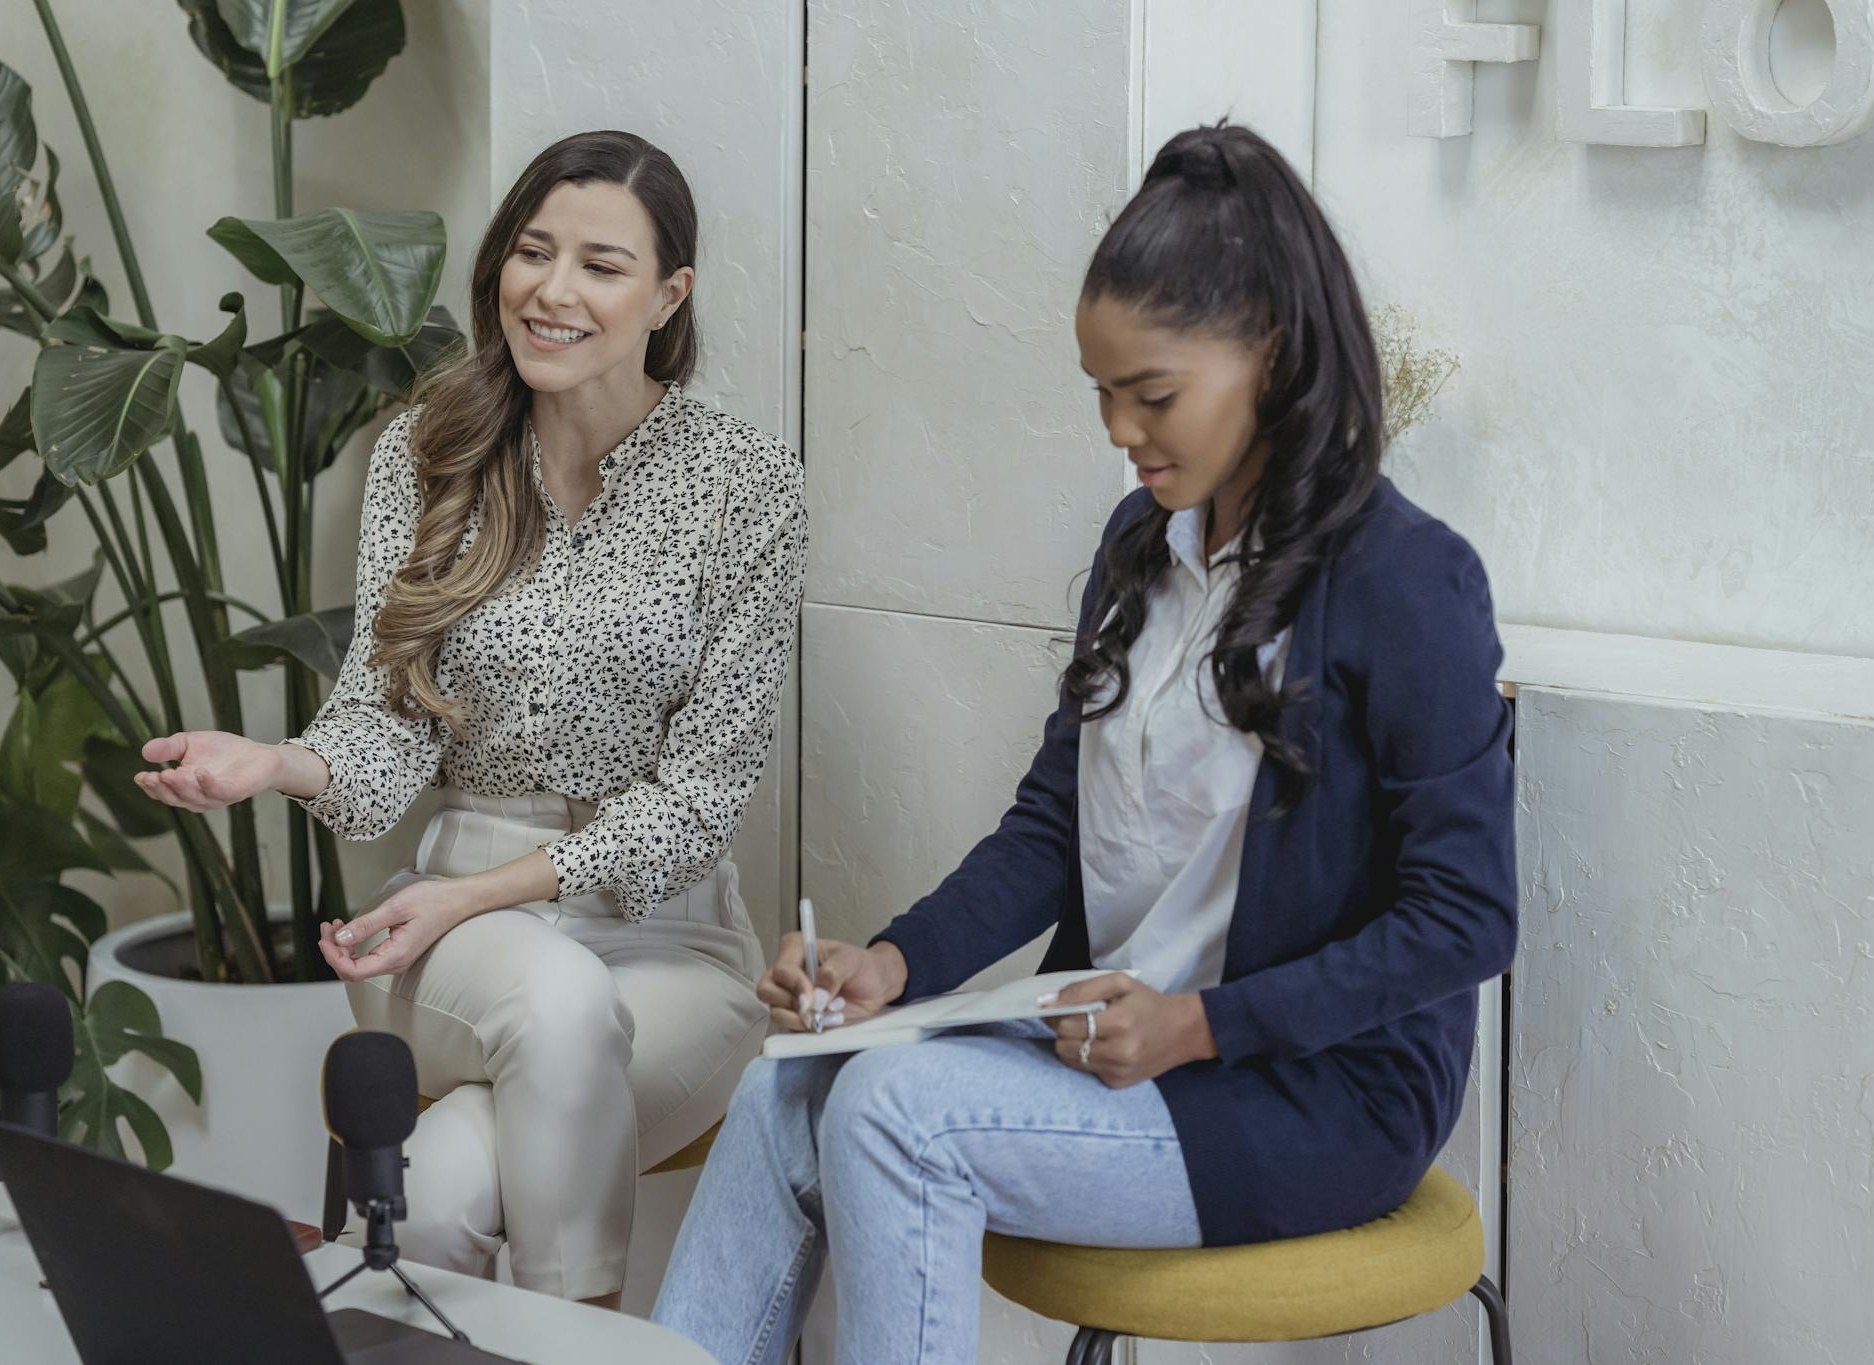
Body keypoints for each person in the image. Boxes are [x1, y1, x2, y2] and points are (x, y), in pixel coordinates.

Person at [650, 123, 1516, 1364]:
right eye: (1101, 393)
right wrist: (894, 964)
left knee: (898, 1118)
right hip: (1109, 1045)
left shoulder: (1407, 580)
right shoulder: (1139, 544)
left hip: (1306, 1095)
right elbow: (1053, 829)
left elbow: (1466, 919)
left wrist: (1195, 1028)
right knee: (786, 1081)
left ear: (1267, 349)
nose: (1119, 427)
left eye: (1151, 394)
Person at [133, 130, 806, 1306]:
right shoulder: (431, 454)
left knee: (442, 1190)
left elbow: (701, 798)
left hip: (675, 946)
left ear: (668, 295)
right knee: (551, 998)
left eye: (601, 264)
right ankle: (589, 1337)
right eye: (531, 252)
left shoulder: (746, 486)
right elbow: (386, 737)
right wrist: (276, 764)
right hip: (445, 946)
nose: (552, 290)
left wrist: (484, 892)